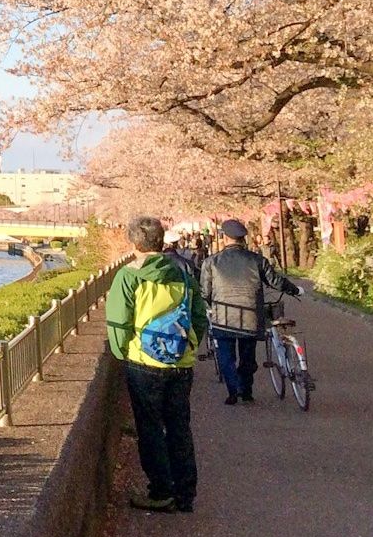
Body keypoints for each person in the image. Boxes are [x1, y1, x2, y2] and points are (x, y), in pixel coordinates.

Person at [107, 216, 208, 513]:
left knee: (150, 428)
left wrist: (122, 353)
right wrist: (188, 346)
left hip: (144, 363)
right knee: (179, 427)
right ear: (161, 241)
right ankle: (186, 494)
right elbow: (200, 317)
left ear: (134, 242)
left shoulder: (128, 276)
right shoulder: (183, 274)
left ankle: (161, 491)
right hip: (181, 363)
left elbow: (118, 323)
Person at [200, 218, 302, 405]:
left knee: (226, 356)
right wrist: (294, 290)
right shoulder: (257, 260)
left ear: (224, 238)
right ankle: (246, 390)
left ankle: (233, 390)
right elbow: (275, 281)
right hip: (250, 315)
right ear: (242, 239)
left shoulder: (211, 262)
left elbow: (205, 292)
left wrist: (210, 305)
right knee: (248, 356)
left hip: (223, 315)